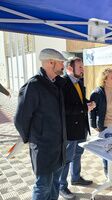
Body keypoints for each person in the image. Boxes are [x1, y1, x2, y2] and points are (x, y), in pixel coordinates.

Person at [14, 48, 67, 200]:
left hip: (59, 147)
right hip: (43, 149)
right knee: (43, 187)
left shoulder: (57, 84)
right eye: (61, 62)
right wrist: (32, 140)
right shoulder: (33, 85)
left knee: (55, 185)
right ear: (51, 62)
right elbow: (20, 119)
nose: (63, 65)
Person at [59, 57, 95, 199]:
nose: (82, 69)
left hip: (81, 127)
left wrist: (89, 103)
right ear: (69, 68)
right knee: (67, 159)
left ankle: (76, 178)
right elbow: (64, 108)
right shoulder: (63, 84)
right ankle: (62, 187)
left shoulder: (79, 82)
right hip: (70, 130)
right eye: (79, 67)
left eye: (82, 67)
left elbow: (80, 101)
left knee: (78, 154)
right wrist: (83, 108)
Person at [89, 68, 112, 177]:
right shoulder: (97, 92)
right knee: (106, 149)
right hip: (105, 125)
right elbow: (92, 111)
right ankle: (107, 170)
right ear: (104, 79)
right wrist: (93, 124)